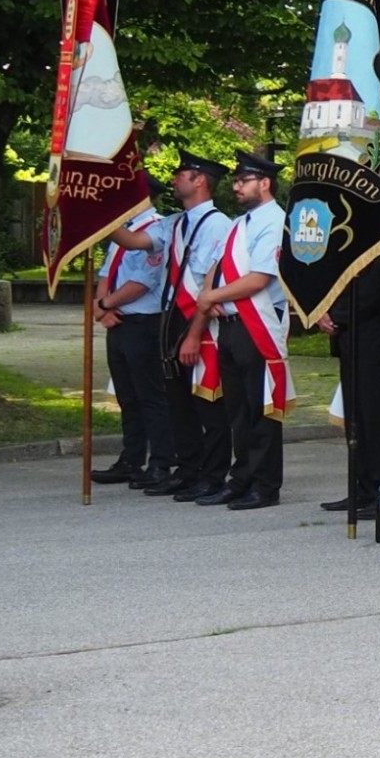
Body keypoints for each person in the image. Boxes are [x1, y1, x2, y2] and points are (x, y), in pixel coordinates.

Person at [181, 150, 290, 510]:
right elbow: (217, 267)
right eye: (236, 181)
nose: (237, 186)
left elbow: (258, 279)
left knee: (261, 410)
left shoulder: (274, 221)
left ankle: (265, 485)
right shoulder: (240, 223)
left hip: (255, 324)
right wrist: (208, 296)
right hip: (228, 324)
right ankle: (241, 478)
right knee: (238, 411)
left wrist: (211, 295)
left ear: (265, 183)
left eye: (244, 181)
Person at [135, 150, 232, 501]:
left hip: (197, 318)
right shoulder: (176, 222)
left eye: (182, 173)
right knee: (178, 400)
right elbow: (135, 241)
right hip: (170, 315)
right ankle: (188, 469)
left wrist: (194, 333)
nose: (175, 178)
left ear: (200, 179)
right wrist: (100, 217)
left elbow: (208, 283)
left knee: (207, 402)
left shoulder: (217, 224)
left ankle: (213, 473)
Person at [313, 243, 380, 520]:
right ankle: (364, 488)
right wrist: (323, 310)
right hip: (350, 338)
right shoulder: (353, 238)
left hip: (376, 340)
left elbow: (375, 292)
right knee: (356, 417)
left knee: (376, 418)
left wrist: (337, 316)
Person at [90, 197, 169, 488]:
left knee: (150, 395)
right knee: (127, 397)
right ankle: (131, 459)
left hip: (143, 323)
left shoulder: (157, 229)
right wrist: (102, 309)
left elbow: (143, 281)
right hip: (118, 323)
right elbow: (105, 273)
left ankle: (160, 462)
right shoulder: (122, 228)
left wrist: (106, 303)